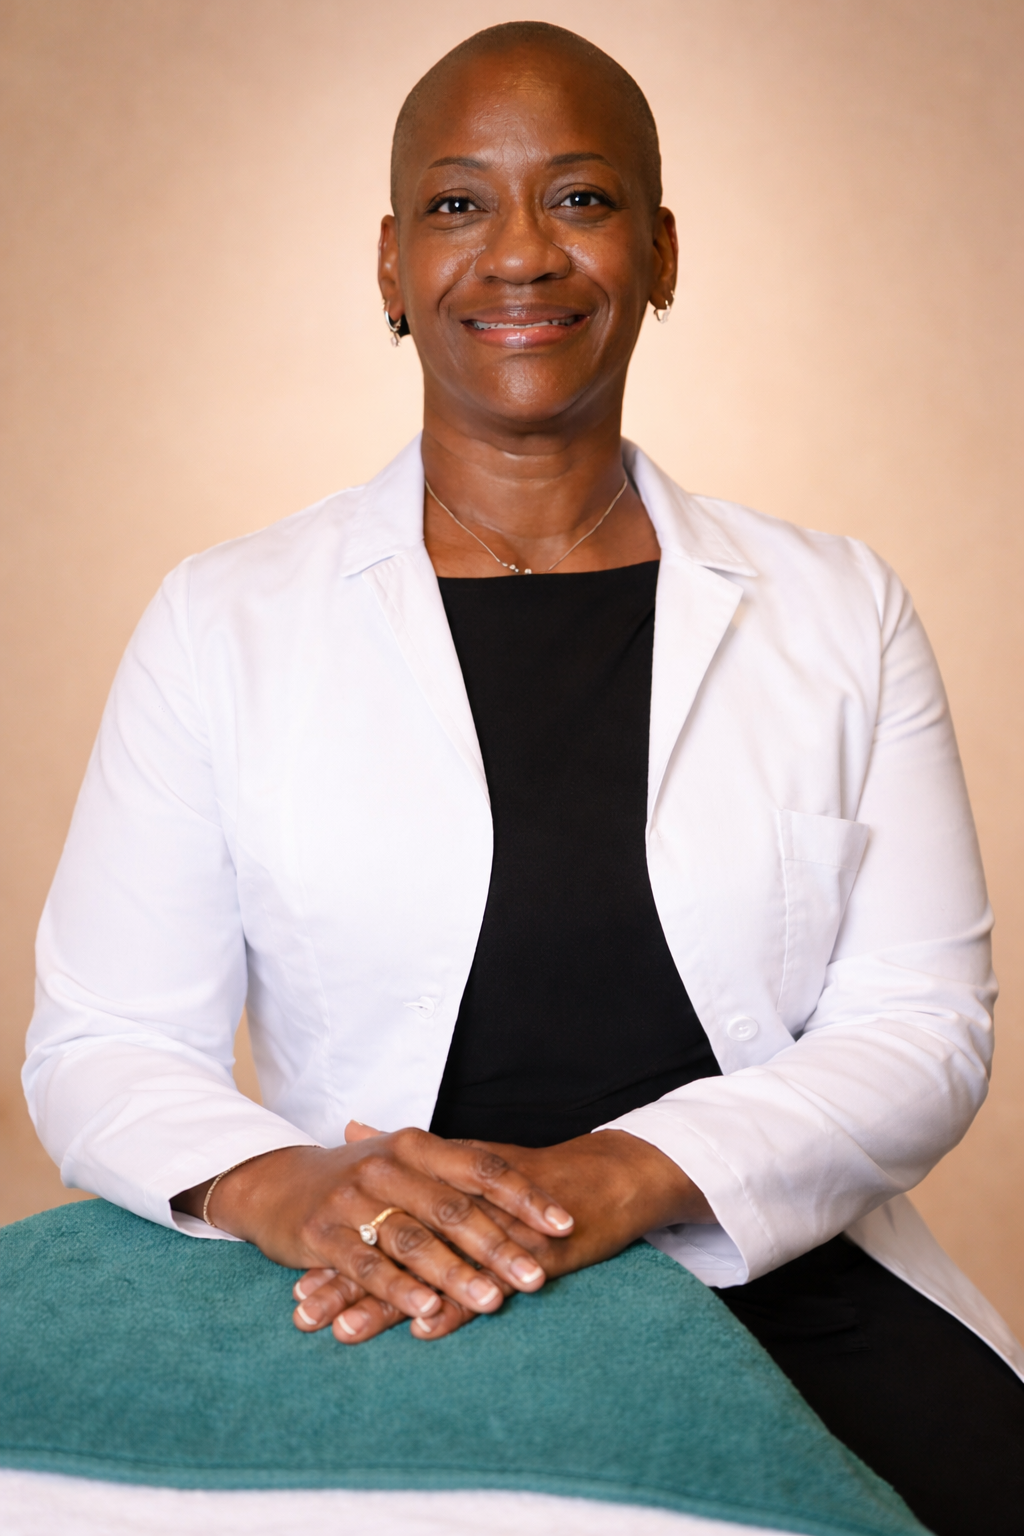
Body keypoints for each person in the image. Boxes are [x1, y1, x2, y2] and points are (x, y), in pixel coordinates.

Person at [23, 22, 1023, 1535]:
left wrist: (627, 1175)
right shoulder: (223, 619)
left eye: (579, 197)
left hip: (773, 1280)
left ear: (661, 252)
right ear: (390, 265)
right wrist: (288, 1190)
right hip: (377, 1286)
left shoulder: (839, 608)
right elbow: (103, 1040)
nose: (518, 254)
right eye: (455, 203)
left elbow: (921, 1026)